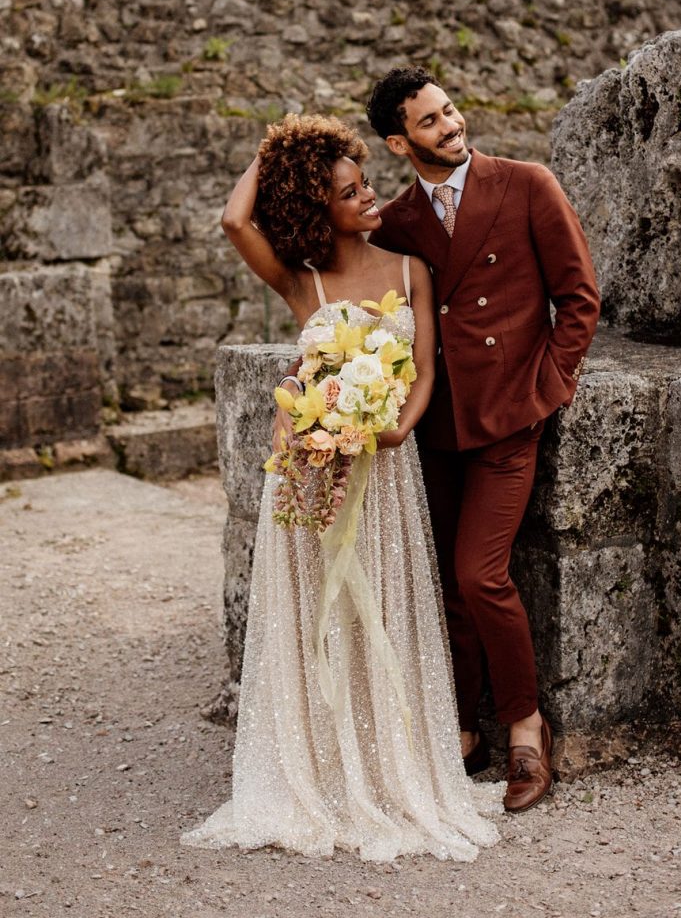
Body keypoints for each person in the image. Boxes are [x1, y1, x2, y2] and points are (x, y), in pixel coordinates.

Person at [182, 112, 500, 862]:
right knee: (315, 621)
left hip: (384, 470)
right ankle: (320, 768)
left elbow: (421, 369)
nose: (369, 199)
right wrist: (282, 148)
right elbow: (234, 218)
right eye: (350, 191)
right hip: (311, 474)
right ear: (316, 208)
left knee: (381, 610)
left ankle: (390, 764)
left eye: (365, 184)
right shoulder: (304, 279)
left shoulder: (409, 266)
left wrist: (397, 430)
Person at [366, 67, 601, 814]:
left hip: (508, 417)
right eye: (431, 122)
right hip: (436, 426)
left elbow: (579, 295)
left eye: (452, 110)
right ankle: (463, 730)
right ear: (400, 142)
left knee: (479, 574)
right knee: (445, 584)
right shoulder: (399, 221)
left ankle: (526, 726)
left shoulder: (526, 183)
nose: (452, 125)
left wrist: (548, 384)